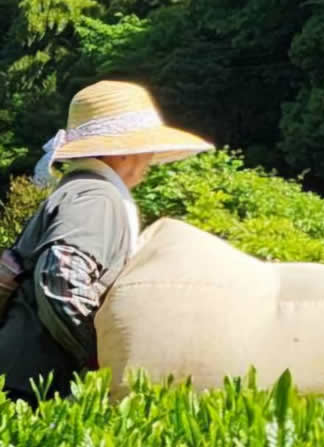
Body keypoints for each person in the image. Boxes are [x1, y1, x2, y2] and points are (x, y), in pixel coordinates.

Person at [0, 80, 213, 405]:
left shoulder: (82, 190)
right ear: (125, 151)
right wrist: (108, 356)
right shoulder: (96, 196)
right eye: (146, 148)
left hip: (22, 377)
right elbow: (62, 279)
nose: (149, 159)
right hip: (32, 389)